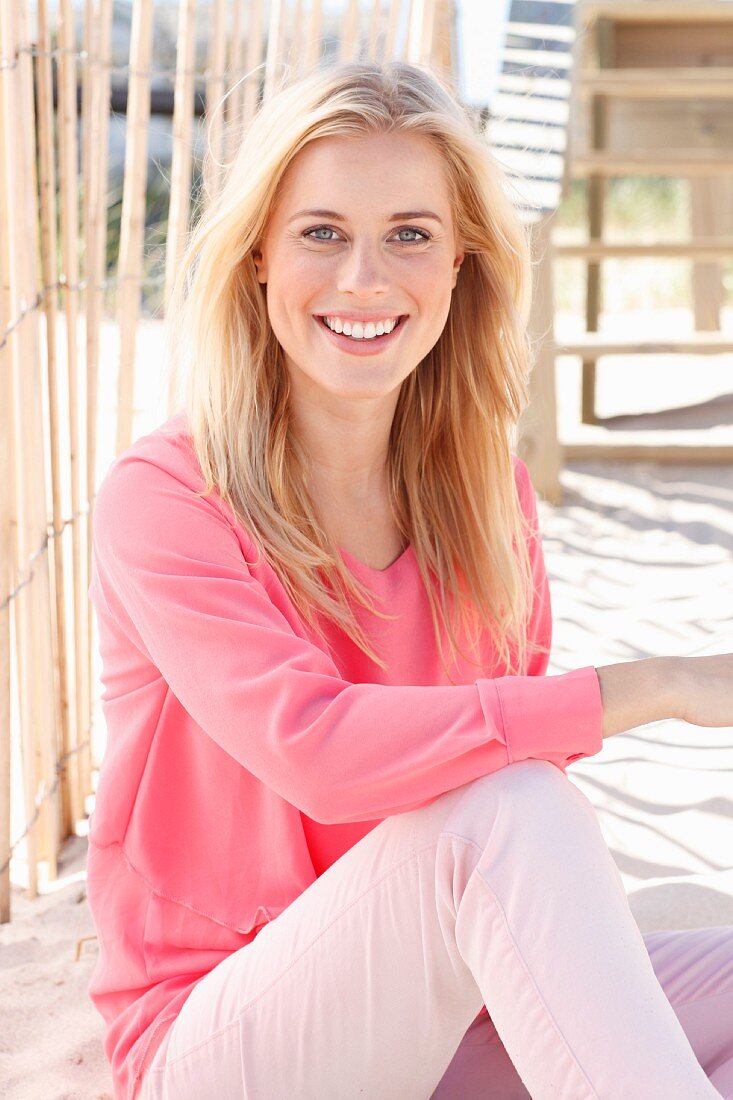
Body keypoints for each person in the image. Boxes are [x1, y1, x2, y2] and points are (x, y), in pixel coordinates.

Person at [84, 59, 733, 1100]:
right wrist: (651, 686)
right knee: (509, 801)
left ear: (460, 263)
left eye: (409, 234)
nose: (364, 279)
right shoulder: (165, 498)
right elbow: (320, 753)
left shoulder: (486, 500)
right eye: (322, 232)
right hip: (222, 1041)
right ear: (258, 257)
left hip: (439, 1004)